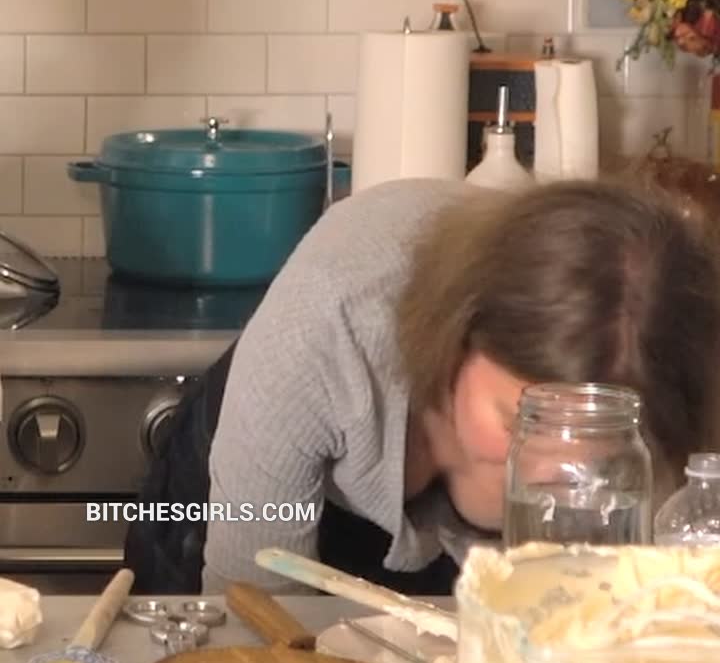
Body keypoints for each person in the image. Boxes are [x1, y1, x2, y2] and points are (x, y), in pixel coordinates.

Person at [193, 173, 720, 596]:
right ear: (458, 339)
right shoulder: (323, 327)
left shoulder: (665, 381)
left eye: (595, 450)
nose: (550, 476)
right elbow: (249, 618)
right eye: (517, 421)